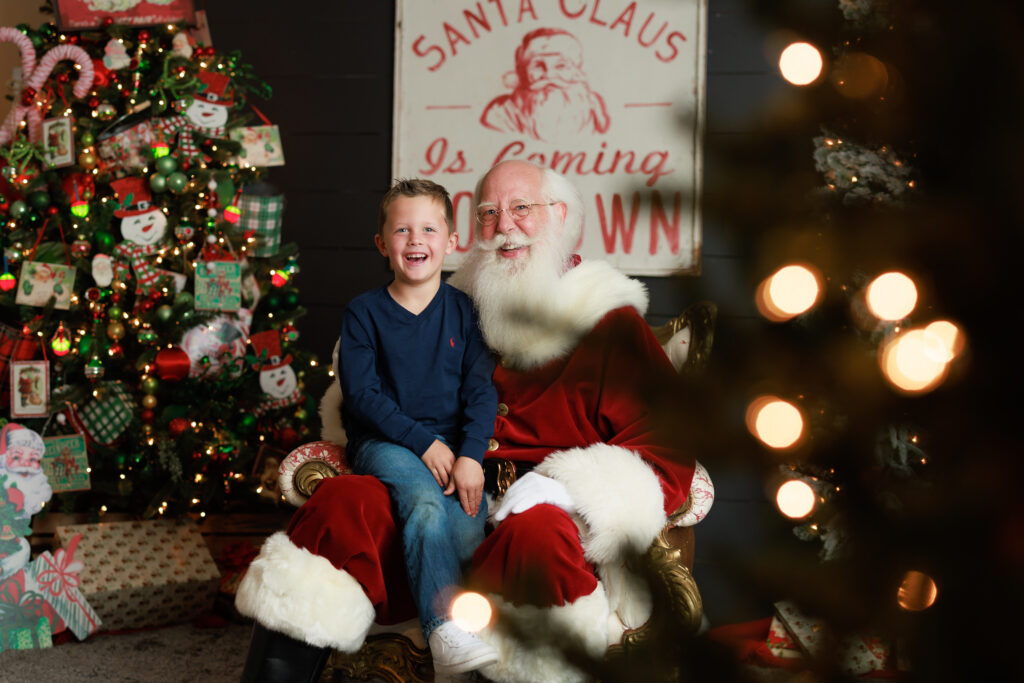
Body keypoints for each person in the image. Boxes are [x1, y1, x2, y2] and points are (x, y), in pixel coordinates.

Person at [236, 162, 696, 683]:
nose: (505, 226)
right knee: (343, 504)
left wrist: (561, 489)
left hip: (531, 526)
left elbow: (671, 440)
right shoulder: (458, 300)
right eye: (489, 213)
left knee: (539, 536)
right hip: (436, 492)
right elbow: (369, 391)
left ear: (561, 217)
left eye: (522, 208)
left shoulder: (610, 322)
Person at [338, 179, 502, 675]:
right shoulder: (364, 312)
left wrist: (471, 454)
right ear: (382, 245)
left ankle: (472, 636)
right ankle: (444, 634)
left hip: (452, 445)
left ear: (451, 242)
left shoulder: (465, 312)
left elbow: (481, 391)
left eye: (428, 229)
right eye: (402, 230)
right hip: (384, 441)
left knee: (469, 529)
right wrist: (423, 442)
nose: (415, 240)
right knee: (427, 506)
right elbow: (362, 396)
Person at [480, 27, 611, 143]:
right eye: (538, 66)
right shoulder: (499, 113)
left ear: (575, 71)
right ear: (524, 71)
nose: (549, 75)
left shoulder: (594, 105)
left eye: (561, 65)